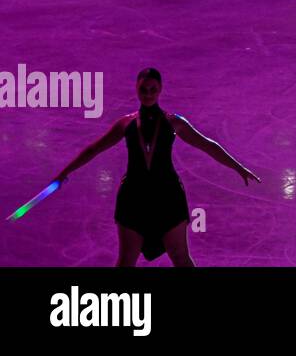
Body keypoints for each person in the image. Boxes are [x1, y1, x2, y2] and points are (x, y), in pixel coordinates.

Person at [51, 68, 258, 266]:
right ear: (136, 89)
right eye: (143, 89)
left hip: (168, 198)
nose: (148, 94)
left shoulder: (174, 122)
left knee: (180, 257)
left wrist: (238, 167)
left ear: (160, 90)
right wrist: (65, 172)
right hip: (133, 198)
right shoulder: (126, 124)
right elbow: (93, 149)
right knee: (126, 261)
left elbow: (207, 145)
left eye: (153, 89)